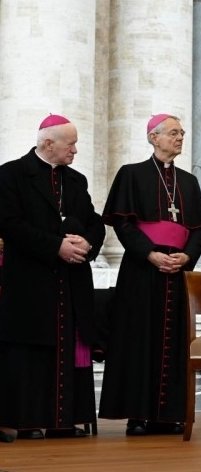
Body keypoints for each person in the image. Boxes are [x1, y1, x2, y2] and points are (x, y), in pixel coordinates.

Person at [99, 114, 201, 435]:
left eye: (182, 133)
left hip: (178, 272)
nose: (180, 138)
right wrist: (150, 253)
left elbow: (199, 231)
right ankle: (138, 415)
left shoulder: (188, 182)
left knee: (174, 342)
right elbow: (123, 224)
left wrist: (186, 257)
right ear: (153, 137)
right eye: (173, 133)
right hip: (141, 269)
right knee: (139, 339)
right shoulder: (131, 174)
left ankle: (169, 414)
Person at [0, 114, 105, 439]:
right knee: (31, 353)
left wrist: (87, 243)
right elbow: (10, 224)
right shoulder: (11, 174)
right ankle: (28, 421)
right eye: (70, 143)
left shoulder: (76, 181)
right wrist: (56, 246)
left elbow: (94, 221)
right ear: (48, 143)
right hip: (31, 281)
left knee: (66, 348)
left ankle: (63, 421)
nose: (75, 149)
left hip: (71, 283)